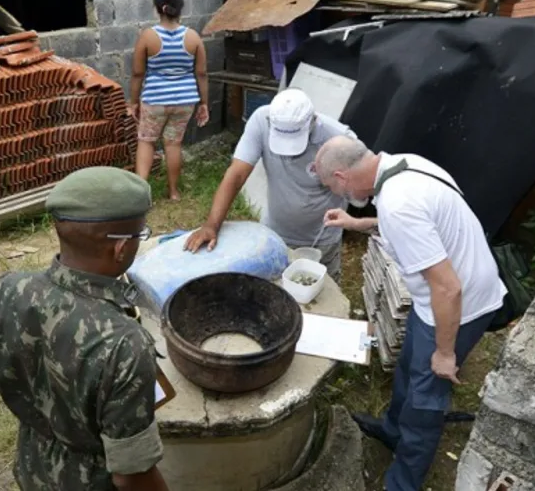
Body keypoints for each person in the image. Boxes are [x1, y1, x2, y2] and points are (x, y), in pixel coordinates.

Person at [0, 167, 170, 491]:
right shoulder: (125, 345)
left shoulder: (4, 291)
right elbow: (130, 475)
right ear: (121, 248)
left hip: (30, 469)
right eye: (141, 235)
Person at [312, 136, 507, 491]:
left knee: (425, 401)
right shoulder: (401, 165)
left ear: (341, 175)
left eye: (332, 186)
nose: (338, 195)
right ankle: (391, 431)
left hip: (456, 307)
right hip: (434, 300)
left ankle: (402, 482)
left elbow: (448, 288)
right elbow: (419, 226)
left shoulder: (398, 203)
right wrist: (357, 224)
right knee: (408, 367)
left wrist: (446, 354)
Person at [183, 88, 356, 283]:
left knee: (320, 296)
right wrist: (211, 225)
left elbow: (360, 191)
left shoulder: (340, 139)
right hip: (274, 232)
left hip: (320, 240)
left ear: (312, 122)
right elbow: (237, 174)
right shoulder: (261, 120)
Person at [130, 0, 210, 201]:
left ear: (158, 8)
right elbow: (201, 73)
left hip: (155, 99)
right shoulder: (193, 37)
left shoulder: (148, 36)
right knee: (173, 144)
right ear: (180, 8)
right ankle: (174, 192)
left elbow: (138, 73)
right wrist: (204, 103)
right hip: (185, 101)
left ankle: (140, 195)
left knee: (147, 141)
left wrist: (133, 102)